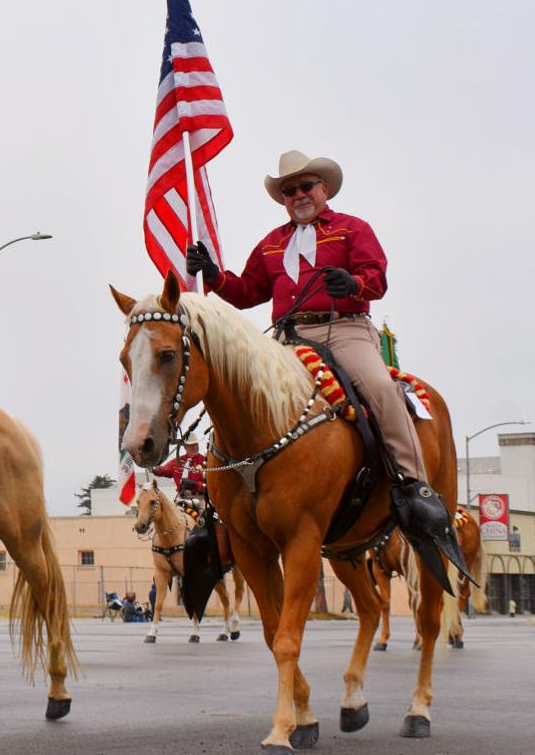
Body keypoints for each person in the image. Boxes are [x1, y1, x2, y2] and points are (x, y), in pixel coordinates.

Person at [186, 150, 464, 581]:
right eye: (289, 190)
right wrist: (215, 275)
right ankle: (223, 497)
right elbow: (247, 292)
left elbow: (378, 277)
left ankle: (413, 486)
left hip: (346, 329)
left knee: (380, 388)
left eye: (305, 187)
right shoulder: (272, 243)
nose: (298, 195)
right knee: (239, 395)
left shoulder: (353, 229)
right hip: (286, 336)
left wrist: (354, 283)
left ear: (324, 190)